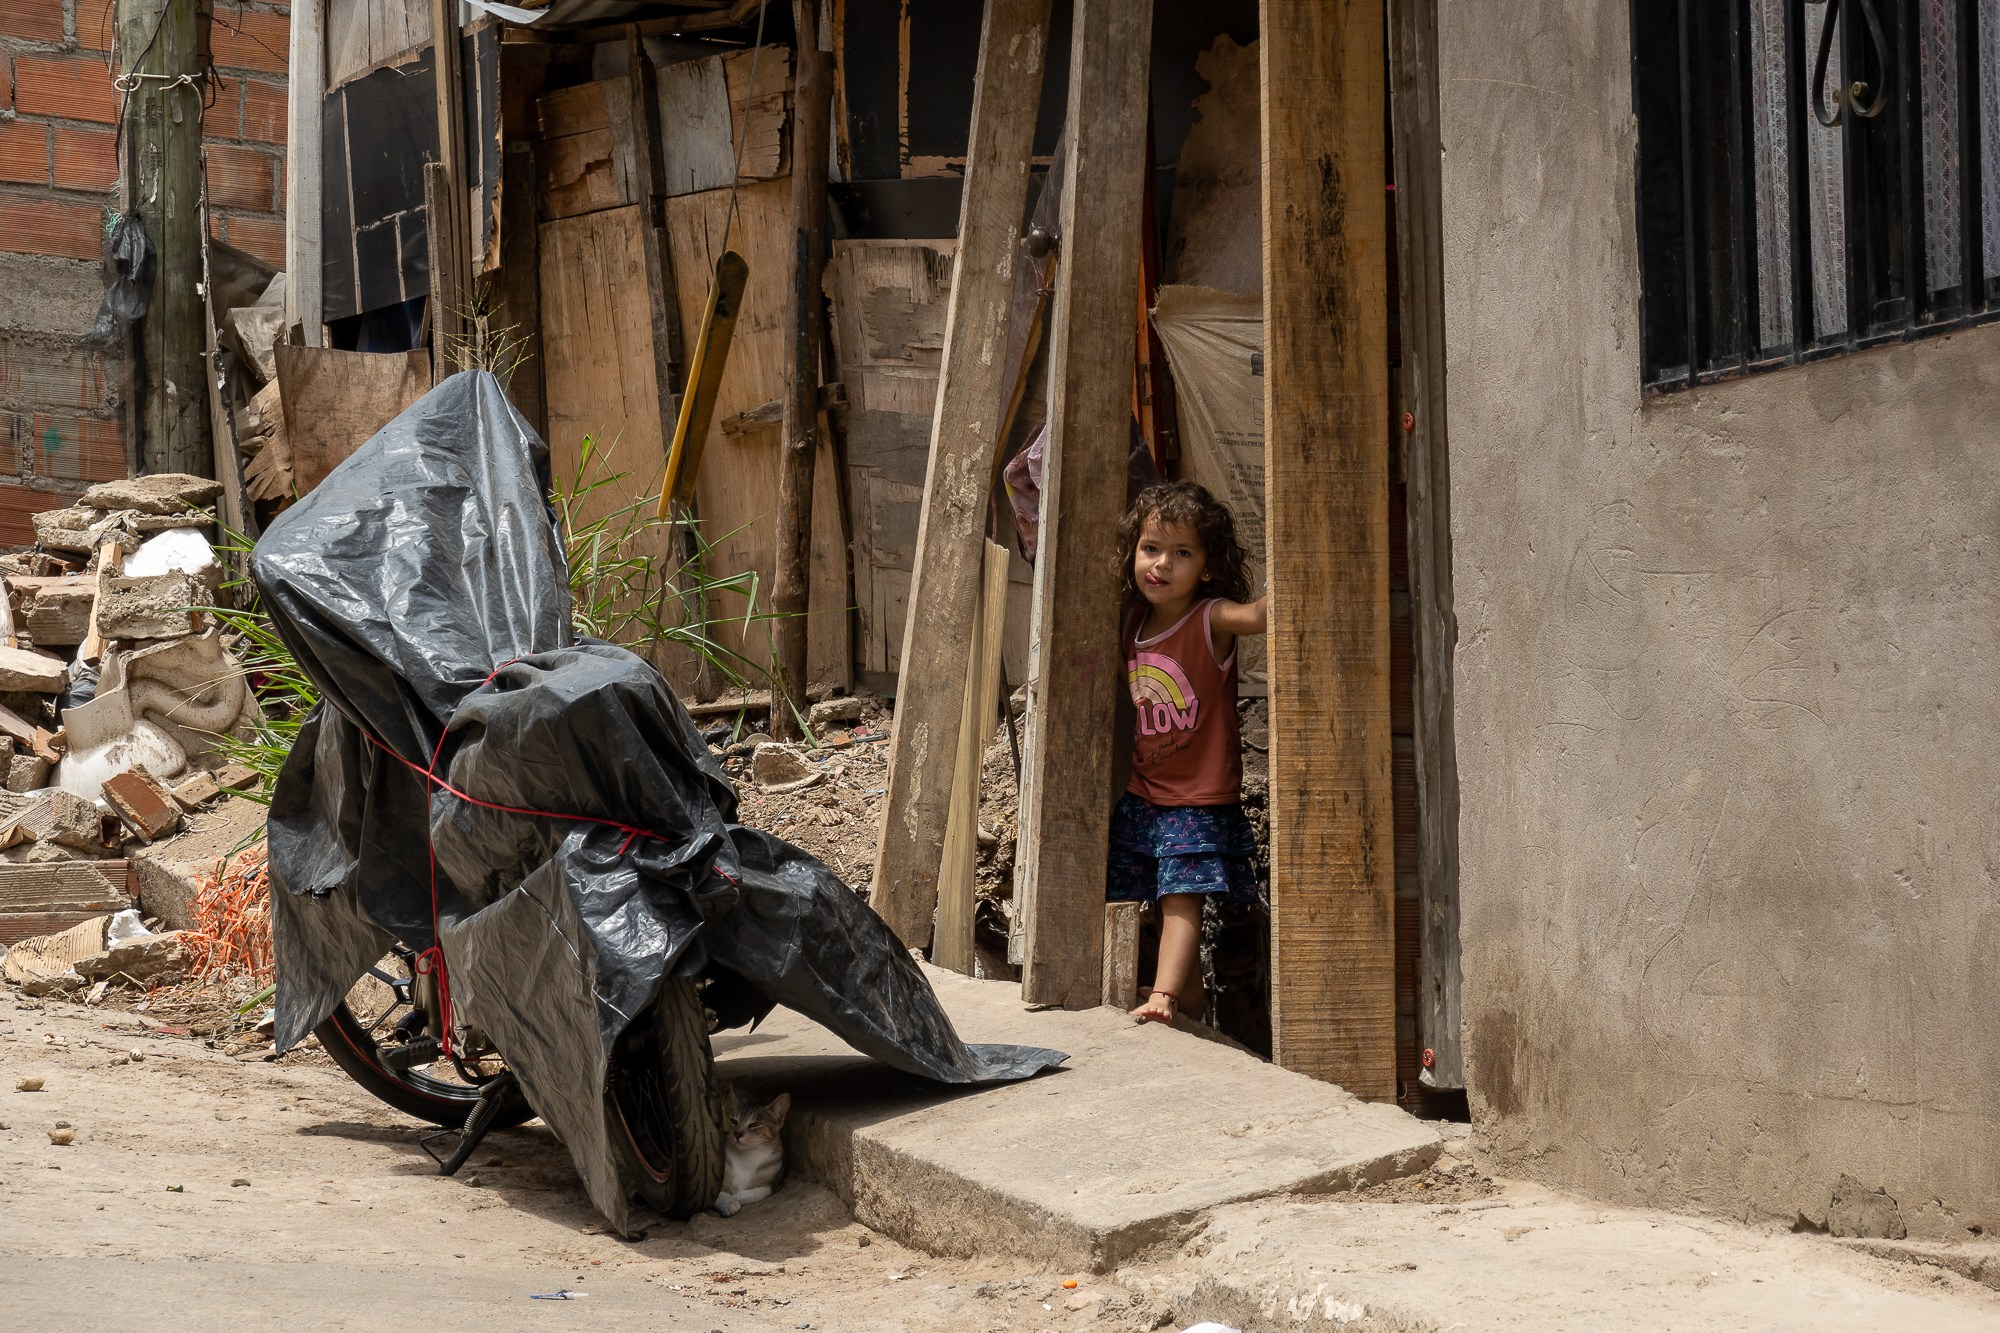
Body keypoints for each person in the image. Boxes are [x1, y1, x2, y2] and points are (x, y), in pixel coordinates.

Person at [1109, 480, 1267, 1025]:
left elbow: (1260, 616)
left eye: (1181, 554)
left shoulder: (1210, 618)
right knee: (1135, 895)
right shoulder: (1131, 620)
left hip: (1196, 796)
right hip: (1144, 789)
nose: (1161, 564)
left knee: (1181, 894)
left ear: (1205, 567)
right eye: (1151, 548)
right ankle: (1189, 1002)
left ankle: (1164, 998)